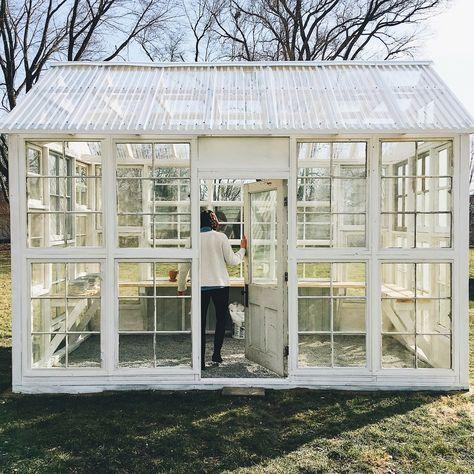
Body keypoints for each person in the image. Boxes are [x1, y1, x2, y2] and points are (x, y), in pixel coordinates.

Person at [177, 210, 247, 370]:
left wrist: (181, 287)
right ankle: (216, 354)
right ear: (212, 221)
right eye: (215, 217)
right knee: (221, 320)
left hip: (200, 286)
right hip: (220, 285)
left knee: (199, 323)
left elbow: (184, 267)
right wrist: (242, 249)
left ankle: (199, 362)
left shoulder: (192, 239)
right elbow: (233, 261)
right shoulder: (221, 237)